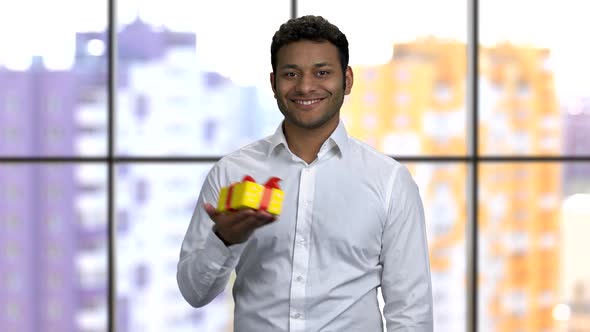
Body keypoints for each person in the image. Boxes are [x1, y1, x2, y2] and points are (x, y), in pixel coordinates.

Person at [177, 15, 433, 331]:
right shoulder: (232, 173)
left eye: (322, 72)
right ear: (273, 83)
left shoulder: (390, 181)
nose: (305, 86)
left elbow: (411, 314)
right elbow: (193, 293)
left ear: (347, 80)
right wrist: (224, 240)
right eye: (291, 74)